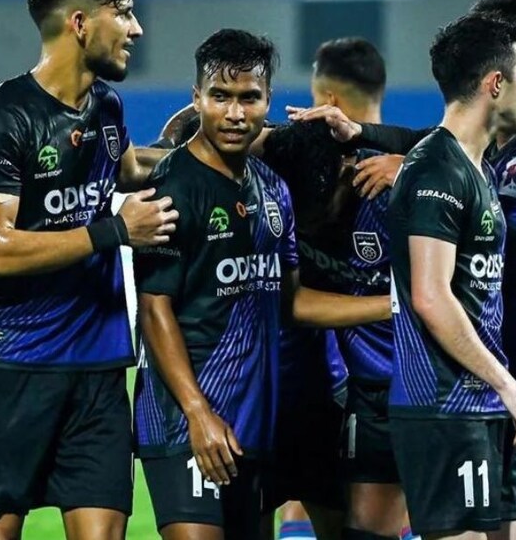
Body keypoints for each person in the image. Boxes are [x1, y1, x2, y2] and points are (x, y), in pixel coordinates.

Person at [292, 0, 516, 540]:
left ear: (511, 73)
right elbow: (446, 148)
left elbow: (466, 216)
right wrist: (373, 138)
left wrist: (413, 174)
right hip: (503, 376)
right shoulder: (490, 147)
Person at [0, 0, 176, 539]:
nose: (136, 28)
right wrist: (114, 232)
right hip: (10, 364)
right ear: (79, 23)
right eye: (123, 12)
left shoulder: (106, 107)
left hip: (97, 367)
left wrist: (207, 147)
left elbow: (123, 171)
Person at [132, 29, 391, 540]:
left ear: (268, 102)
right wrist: (197, 414)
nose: (234, 114)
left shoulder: (273, 190)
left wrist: (398, 304)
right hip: (184, 421)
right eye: (220, 98)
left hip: (252, 423)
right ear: (197, 100)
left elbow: (291, 300)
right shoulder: (173, 187)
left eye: (248, 98)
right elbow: (154, 310)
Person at [384, 14, 516, 540]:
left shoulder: (474, 166)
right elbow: (431, 297)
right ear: (495, 83)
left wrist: (501, 391)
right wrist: (508, 384)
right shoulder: (436, 171)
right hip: (444, 407)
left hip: (487, 406)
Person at [259, 37, 412, 540]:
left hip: (381, 385)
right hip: (382, 385)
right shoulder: (425, 168)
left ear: (327, 100)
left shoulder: (402, 177)